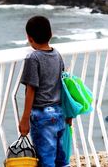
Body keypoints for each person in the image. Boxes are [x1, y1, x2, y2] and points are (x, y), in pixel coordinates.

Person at [19, 15, 71, 167]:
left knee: (46, 159)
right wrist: (68, 113)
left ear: (29, 38)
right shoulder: (57, 55)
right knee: (61, 158)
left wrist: (24, 119)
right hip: (59, 112)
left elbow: (31, 90)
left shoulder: (33, 58)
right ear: (51, 34)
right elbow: (63, 84)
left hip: (42, 116)